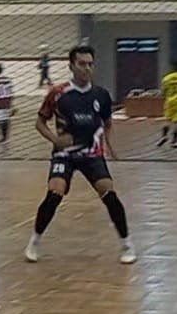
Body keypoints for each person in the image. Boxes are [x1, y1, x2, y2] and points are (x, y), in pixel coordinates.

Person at [25, 44, 135, 265]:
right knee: (55, 193)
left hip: (92, 153)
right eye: (82, 64)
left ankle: (127, 244)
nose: (86, 68)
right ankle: (34, 242)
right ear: (71, 66)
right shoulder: (58, 93)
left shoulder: (101, 95)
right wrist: (55, 140)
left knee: (109, 194)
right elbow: (39, 123)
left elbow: (108, 123)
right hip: (64, 154)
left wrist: (109, 145)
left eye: (90, 64)